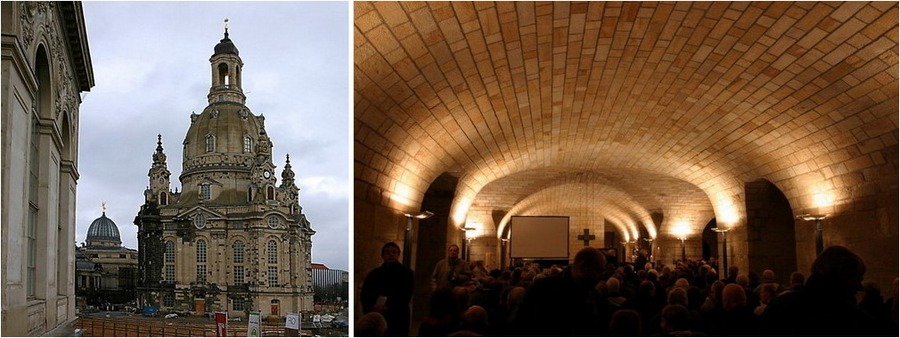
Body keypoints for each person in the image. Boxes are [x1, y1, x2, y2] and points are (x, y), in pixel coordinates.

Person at [762, 245, 896, 336]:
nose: (860, 287)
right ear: (842, 275)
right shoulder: (845, 316)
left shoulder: (781, 304)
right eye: (857, 278)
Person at [511, 247, 613, 336]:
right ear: (582, 266)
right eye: (597, 270)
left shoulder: (595, 295)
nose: (601, 276)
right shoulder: (542, 289)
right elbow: (518, 324)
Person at [360, 242, 415, 336]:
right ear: (382, 255)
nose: (391, 255)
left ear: (398, 255)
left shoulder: (406, 273)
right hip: (377, 315)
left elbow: (406, 295)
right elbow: (365, 293)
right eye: (388, 252)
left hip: (398, 317)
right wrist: (372, 306)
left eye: (394, 252)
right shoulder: (374, 274)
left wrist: (390, 307)